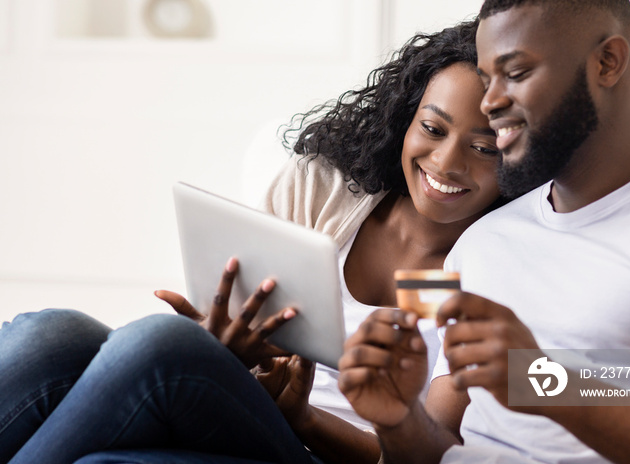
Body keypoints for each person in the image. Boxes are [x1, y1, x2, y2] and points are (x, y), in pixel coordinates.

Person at [0, 18, 506, 464]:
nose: (445, 163)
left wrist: (302, 417)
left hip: (325, 448)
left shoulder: (497, 270)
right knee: (53, 334)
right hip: (245, 409)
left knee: (159, 348)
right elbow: (241, 343)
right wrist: (221, 345)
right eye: (433, 128)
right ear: (406, 121)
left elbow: (426, 456)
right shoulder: (325, 191)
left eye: (483, 147)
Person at [338, 1, 630, 463]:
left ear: (607, 63)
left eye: (516, 72)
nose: (490, 103)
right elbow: (434, 450)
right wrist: (399, 422)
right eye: (488, 80)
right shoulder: (483, 244)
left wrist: (545, 380)